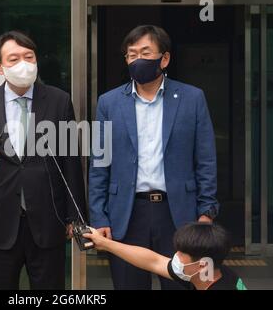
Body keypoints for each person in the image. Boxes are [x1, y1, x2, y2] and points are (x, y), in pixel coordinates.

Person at [88, 25, 219, 290]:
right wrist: (99, 217)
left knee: (182, 284)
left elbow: (205, 159)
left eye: (145, 52)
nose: (137, 60)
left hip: (178, 214)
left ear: (165, 58)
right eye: (131, 54)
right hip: (126, 214)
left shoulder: (192, 98)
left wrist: (206, 213)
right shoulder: (109, 102)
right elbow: (99, 164)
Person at [0, 31, 86, 290]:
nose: (23, 64)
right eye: (13, 59)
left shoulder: (59, 101)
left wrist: (76, 215)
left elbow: (71, 161)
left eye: (29, 57)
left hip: (49, 219)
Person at [84, 222, 247, 290]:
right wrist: (104, 243)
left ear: (202, 265)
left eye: (182, 254)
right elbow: (153, 261)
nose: (175, 256)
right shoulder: (212, 273)